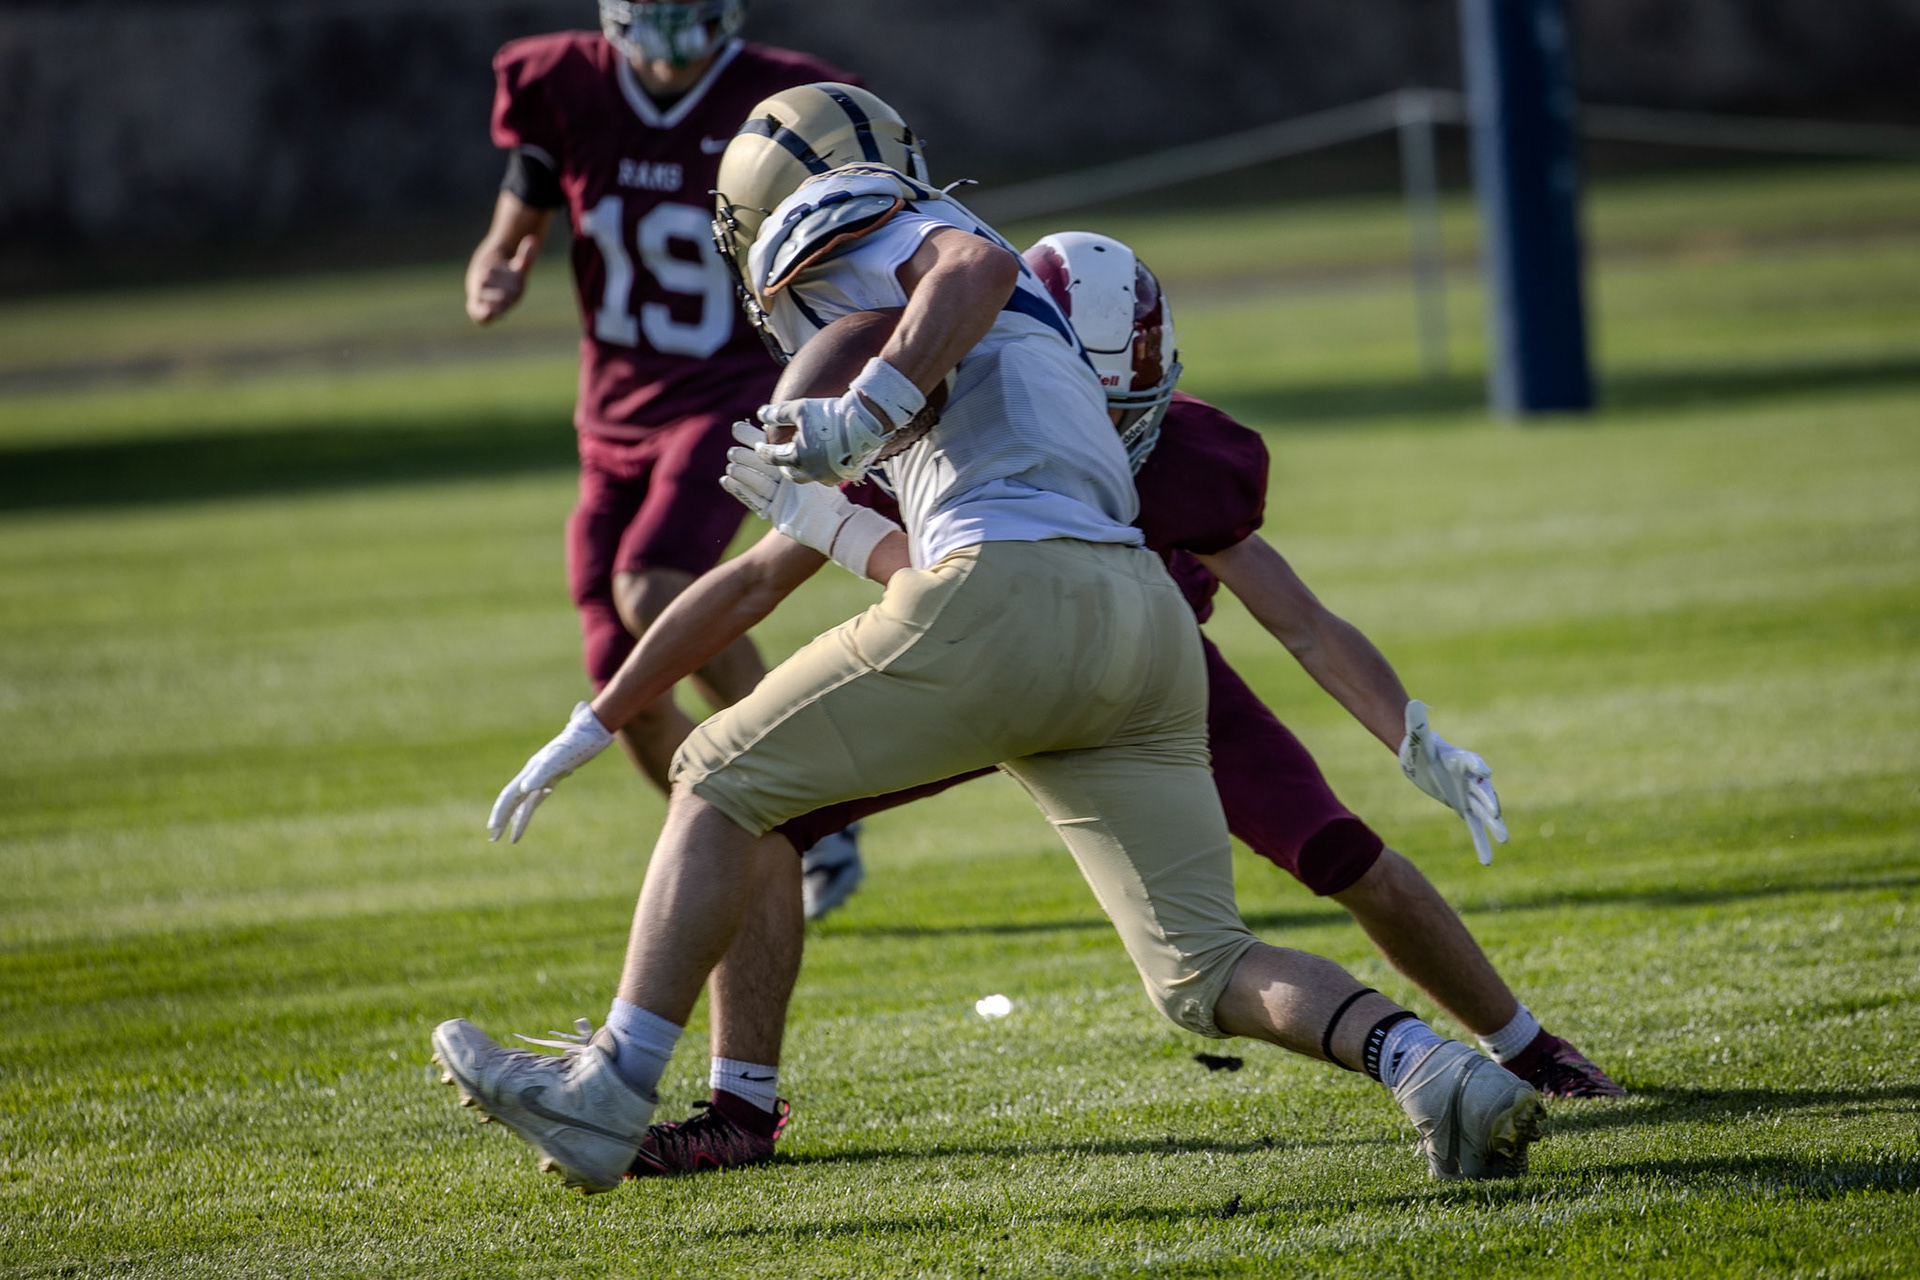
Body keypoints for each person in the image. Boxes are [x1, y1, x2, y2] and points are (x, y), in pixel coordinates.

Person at [433, 83, 1545, 1194]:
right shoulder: (977, 338)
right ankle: (1437, 1069)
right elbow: (761, 578)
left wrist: (863, 410)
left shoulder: (877, 232)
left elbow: (968, 271)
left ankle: (611, 1083)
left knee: (718, 772)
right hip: (1139, 628)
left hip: (1005, 590)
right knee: (1200, 968)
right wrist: (597, 715)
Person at [464, 0, 862, 915]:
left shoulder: (780, 95)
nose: (676, 43)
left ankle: (822, 792)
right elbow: (534, 172)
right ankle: (751, 842)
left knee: (653, 586)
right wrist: (502, 252)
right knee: (622, 688)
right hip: (609, 415)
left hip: (726, 387)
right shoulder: (564, 82)